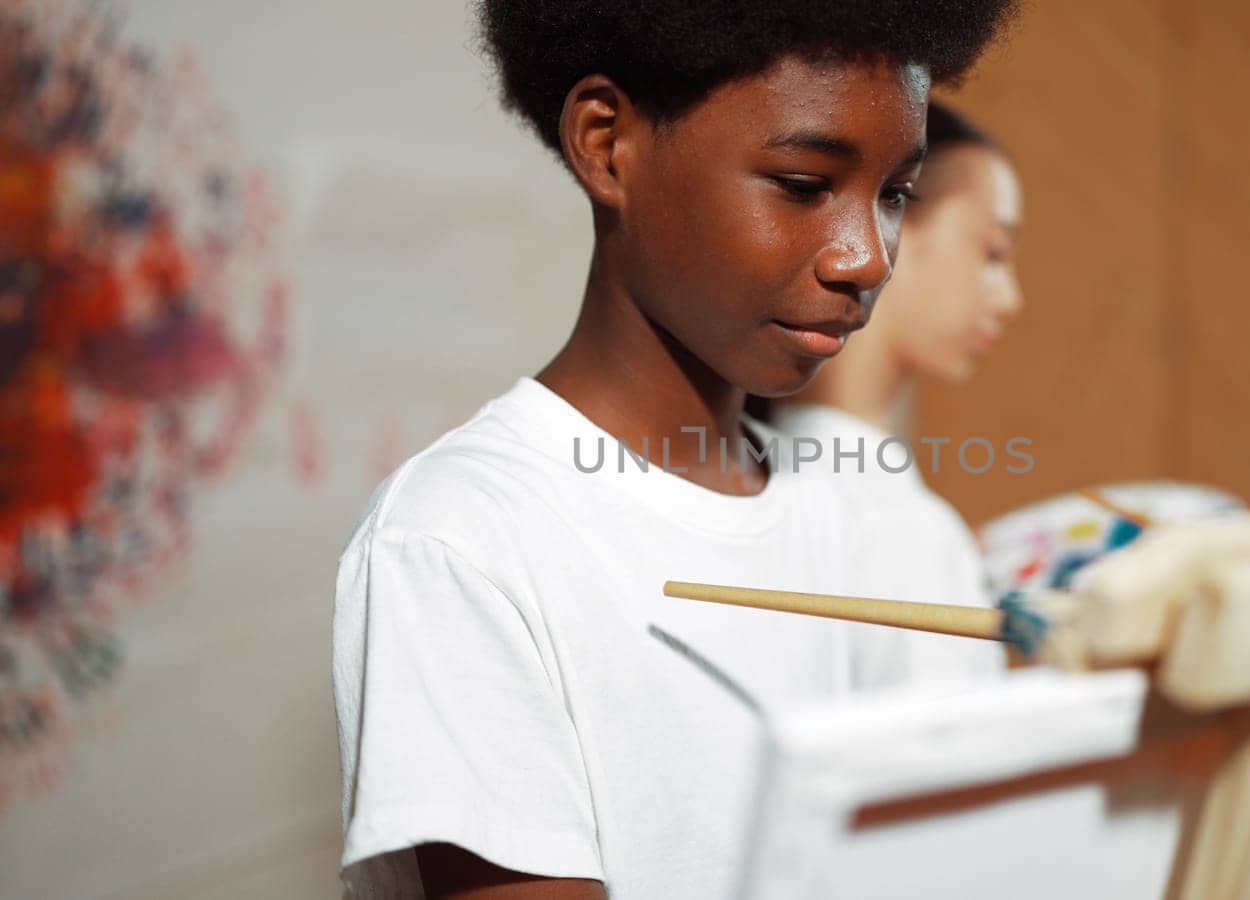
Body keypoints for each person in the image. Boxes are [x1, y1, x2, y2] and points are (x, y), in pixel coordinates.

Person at [331, 3, 1018, 899]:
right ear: (608, 143)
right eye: (806, 183)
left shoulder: (862, 516)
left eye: (894, 195)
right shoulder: (462, 542)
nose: (868, 258)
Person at [756, 102, 1023, 682]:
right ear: (891, 222)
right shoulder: (894, 526)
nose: (1009, 300)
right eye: (993, 252)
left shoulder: (747, 485)